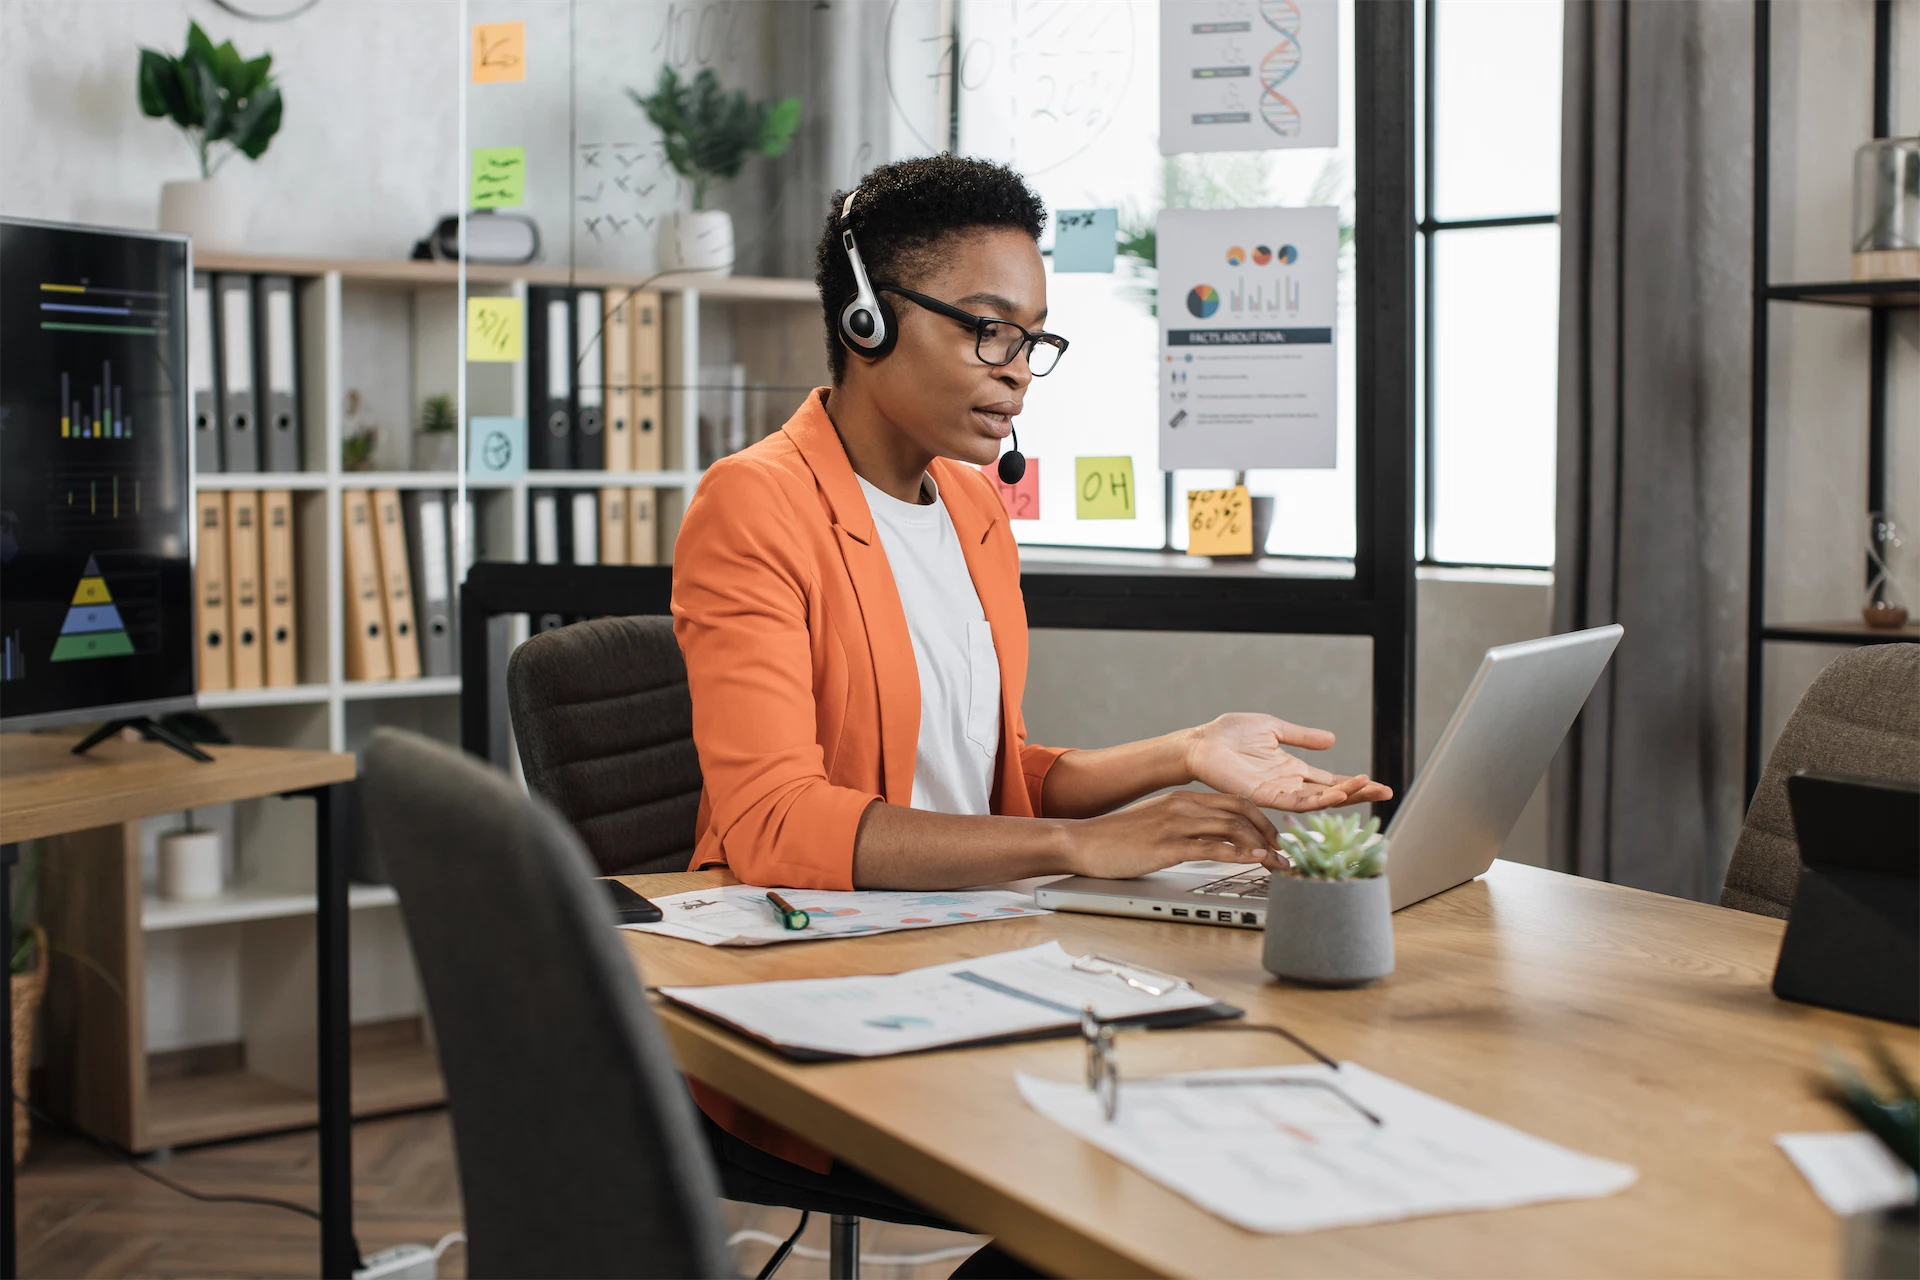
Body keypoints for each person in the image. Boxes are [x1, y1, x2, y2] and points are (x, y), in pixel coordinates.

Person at [670, 154, 1391, 1280]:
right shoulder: (754, 503)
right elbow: (772, 820)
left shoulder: (969, 503)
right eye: (988, 330)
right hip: (826, 995)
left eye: (1034, 338)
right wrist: (1078, 846)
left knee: (1241, 1103)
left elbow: (983, 764)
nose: (1019, 371)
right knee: (1145, 1179)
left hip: (980, 945)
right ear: (869, 319)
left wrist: (1180, 754)